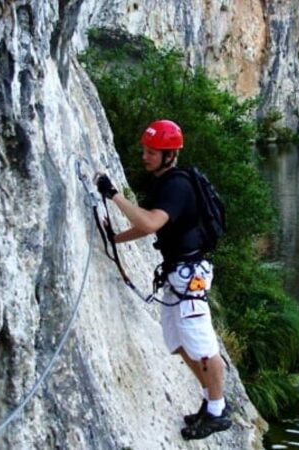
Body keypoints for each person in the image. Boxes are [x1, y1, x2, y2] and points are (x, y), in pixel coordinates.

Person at [95, 119, 232, 440]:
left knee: (203, 346)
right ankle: (210, 401)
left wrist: (114, 196)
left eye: (152, 152)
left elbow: (150, 223)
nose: (145, 156)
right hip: (179, 274)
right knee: (179, 342)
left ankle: (217, 411)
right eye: (144, 151)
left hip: (189, 277)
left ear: (169, 155)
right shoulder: (168, 182)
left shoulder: (176, 186)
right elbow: (146, 226)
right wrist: (114, 239)